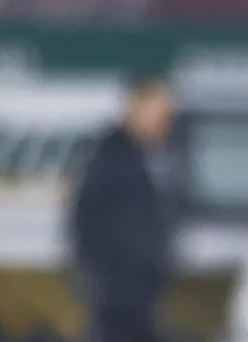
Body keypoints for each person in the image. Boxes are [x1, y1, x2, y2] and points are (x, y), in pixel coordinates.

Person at [71, 78, 175, 342]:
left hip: (132, 297)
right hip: (118, 298)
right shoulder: (113, 159)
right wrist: (107, 283)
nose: (166, 119)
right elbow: (88, 225)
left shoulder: (139, 157)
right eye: (159, 110)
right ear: (134, 108)